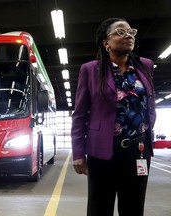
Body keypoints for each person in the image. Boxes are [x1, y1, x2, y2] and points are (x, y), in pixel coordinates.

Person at [71, 18, 156, 216]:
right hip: (102, 150)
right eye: (120, 32)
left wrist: (145, 131)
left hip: (138, 151)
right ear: (106, 42)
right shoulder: (91, 70)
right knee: (100, 207)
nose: (128, 35)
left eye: (131, 32)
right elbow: (80, 114)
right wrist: (78, 153)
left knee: (134, 207)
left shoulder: (145, 65)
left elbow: (149, 105)